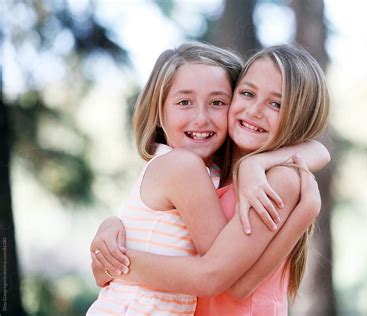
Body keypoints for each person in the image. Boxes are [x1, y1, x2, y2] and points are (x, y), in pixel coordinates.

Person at [90, 44, 330, 315]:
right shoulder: (212, 172)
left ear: (299, 116)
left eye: (276, 103)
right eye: (248, 93)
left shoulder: (279, 178)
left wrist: (304, 214)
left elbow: (231, 283)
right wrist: (110, 227)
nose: (254, 111)